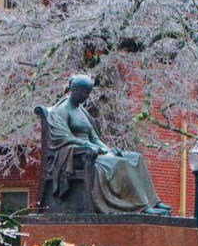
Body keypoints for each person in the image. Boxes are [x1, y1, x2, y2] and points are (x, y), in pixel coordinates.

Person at [47, 74, 171, 215]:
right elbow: (63, 138)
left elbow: (94, 137)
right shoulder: (61, 111)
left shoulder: (81, 112)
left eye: (88, 93)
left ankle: (153, 201)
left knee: (136, 158)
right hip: (79, 155)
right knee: (120, 163)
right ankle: (142, 206)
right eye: (84, 92)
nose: (86, 96)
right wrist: (92, 148)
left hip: (96, 151)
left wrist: (107, 150)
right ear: (73, 90)